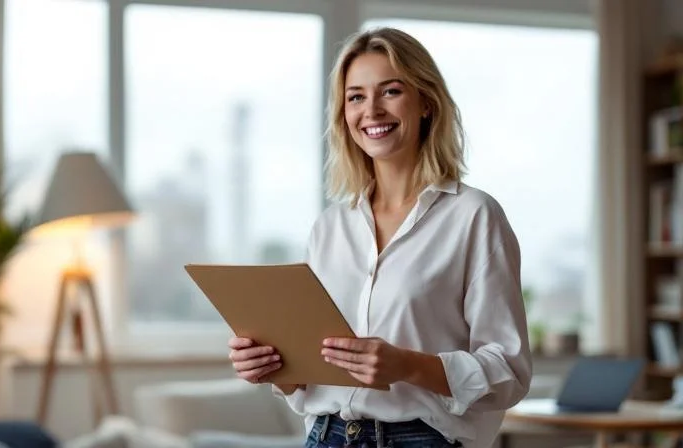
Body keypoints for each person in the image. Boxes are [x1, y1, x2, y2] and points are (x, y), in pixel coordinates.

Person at [228, 27, 532, 448]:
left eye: (390, 91)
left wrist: (407, 365)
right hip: (326, 436)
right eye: (355, 97)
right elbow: (311, 376)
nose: (371, 110)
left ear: (426, 102)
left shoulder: (474, 216)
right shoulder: (330, 227)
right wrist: (273, 367)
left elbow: (508, 372)